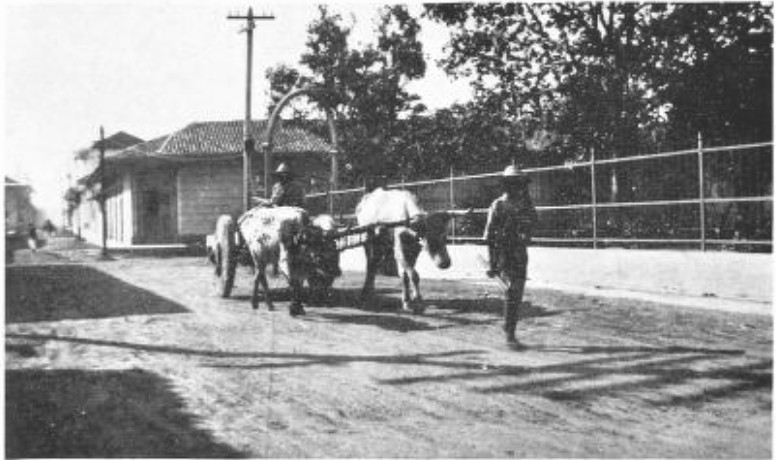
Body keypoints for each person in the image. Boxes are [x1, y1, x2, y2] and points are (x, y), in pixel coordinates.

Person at [483, 165, 537, 347]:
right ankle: (510, 335)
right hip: (502, 253)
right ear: (506, 185)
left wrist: (526, 232)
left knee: (517, 292)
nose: (516, 187)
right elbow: (488, 236)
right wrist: (491, 263)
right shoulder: (497, 205)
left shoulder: (525, 204)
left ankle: (508, 327)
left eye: (519, 183)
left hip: (520, 253)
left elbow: (534, 224)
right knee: (512, 291)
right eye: (512, 183)